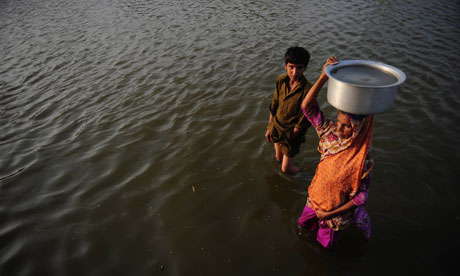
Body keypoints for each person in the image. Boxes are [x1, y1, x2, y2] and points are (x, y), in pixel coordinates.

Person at [297, 56, 374, 249]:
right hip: (314, 200)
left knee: (325, 247)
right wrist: (323, 76)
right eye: (338, 122)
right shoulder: (329, 134)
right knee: (302, 225)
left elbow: (360, 198)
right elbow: (308, 107)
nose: (339, 129)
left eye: (347, 127)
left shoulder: (362, 159)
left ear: (358, 127)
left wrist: (328, 215)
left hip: (334, 216)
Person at [265, 47, 313, 174]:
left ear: (305, 68)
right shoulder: (281, 80)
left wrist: (287, 138)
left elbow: (302, 122)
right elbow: (274, 105)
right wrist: (270, 127)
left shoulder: (307, 90)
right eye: (291, 67)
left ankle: (310, 174)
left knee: (285, 168)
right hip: (277, 127)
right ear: (285, 66)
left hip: (292, 134)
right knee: (278, 158)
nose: (295, 72)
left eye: (299, 67)